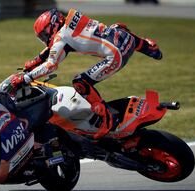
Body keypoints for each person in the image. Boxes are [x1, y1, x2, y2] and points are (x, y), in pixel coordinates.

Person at [10, 8, 162, 139]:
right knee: (117, 27)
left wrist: (26, 77)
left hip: (116, 55)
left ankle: (107, 120)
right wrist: (35, 61)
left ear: (53, 25)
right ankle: (149, 47)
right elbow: (55, 47)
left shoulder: (61, 38)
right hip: (127, 39)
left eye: (44, 35)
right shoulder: (73, 17)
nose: (45, 38)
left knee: (80, 82)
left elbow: (51, 65)